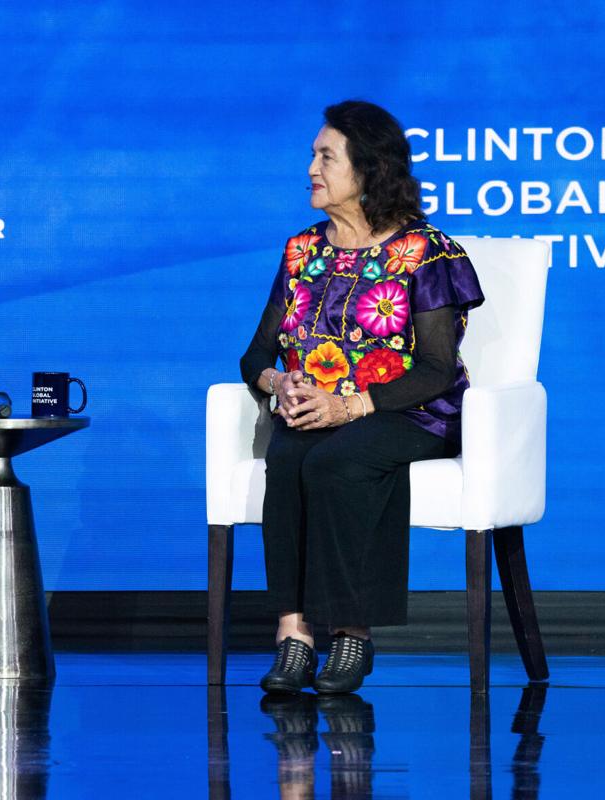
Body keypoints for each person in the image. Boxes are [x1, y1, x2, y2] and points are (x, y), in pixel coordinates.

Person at [239, 100, 484, 694]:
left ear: (368, 169)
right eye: (314, 155)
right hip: (318, 409)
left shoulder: (426, 252)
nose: (311, 169)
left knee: (340, 458)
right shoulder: (302, 252)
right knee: (289, 455)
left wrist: (353, 405)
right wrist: (280, 383)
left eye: (326, 156)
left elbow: (434, 370)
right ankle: (294, 635)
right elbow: (254, 358)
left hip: (411, 410)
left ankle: (353, 632)